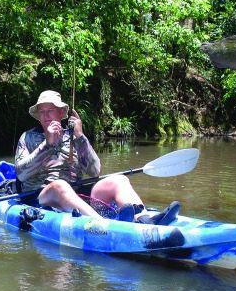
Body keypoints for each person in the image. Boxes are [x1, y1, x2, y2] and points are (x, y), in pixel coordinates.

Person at [15, 90, 147, 221]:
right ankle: (102, 224)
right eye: (42, 112)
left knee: (119, 180)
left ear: (61, 113)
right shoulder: (28, 137)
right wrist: (47, 145)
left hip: (76, 194)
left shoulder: (74, 135)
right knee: (59, 185)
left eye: (50, 110)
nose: (45, 115)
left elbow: (95, 171)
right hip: (41, 196)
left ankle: (143, 218)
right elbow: (21, 174)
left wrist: (80, 136)